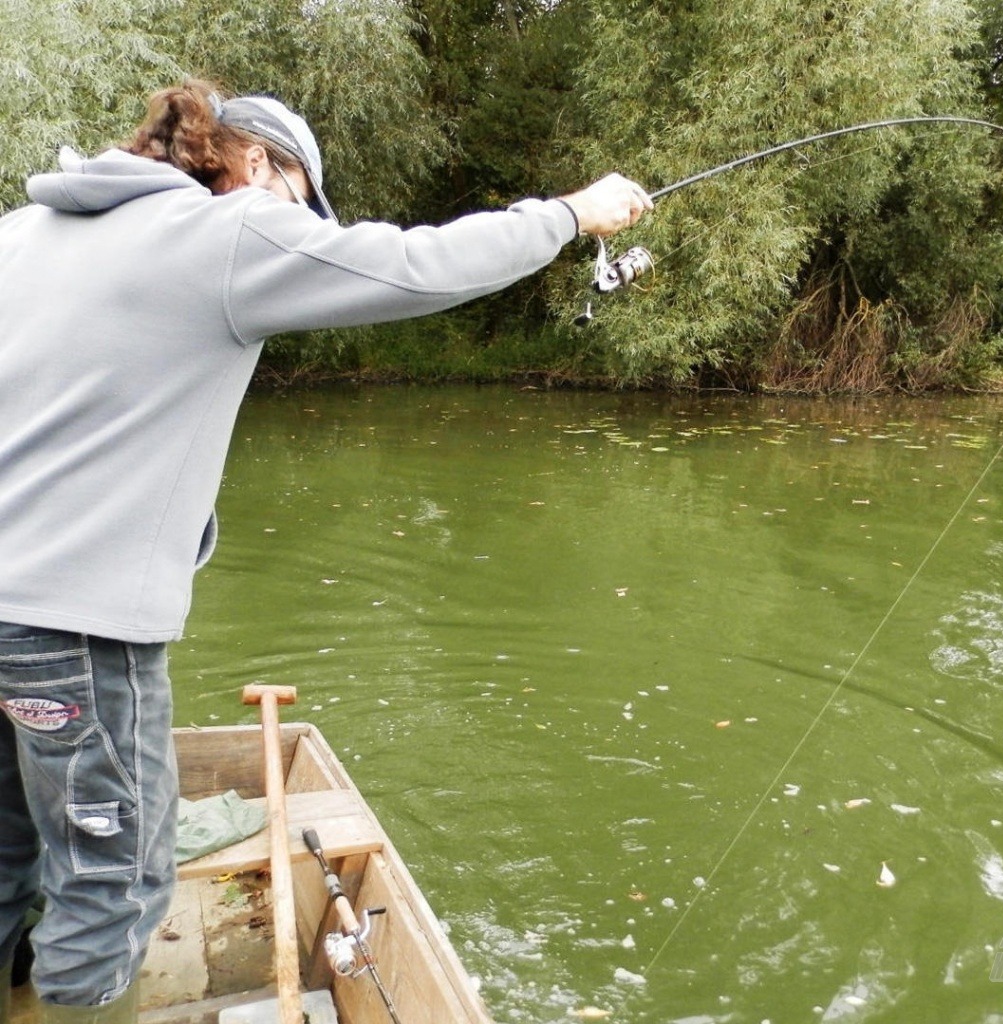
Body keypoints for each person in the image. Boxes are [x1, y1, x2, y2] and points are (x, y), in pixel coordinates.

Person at [0, 78, 651, 1023]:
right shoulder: (226, 232)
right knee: (114, 886)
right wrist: (568, 215)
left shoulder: (24, 234)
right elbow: (415, 266)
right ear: (255, 164)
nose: (299, 234)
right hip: (73, 630)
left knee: (7, 849)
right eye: (302, 205)